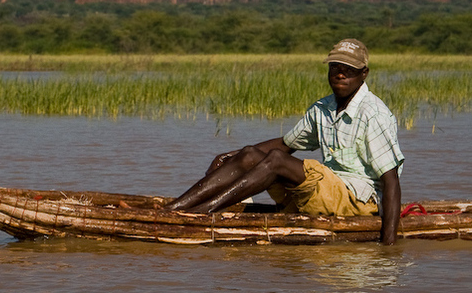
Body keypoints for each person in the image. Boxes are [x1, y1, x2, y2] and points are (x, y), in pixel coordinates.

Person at [166, 38, 405, 245]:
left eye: (349, 69)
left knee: (278, 161)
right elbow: (286, 143)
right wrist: (231, 157)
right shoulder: (323, 108)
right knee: (251, 154)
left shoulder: (373, 114)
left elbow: (390, 180)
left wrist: (389, 244)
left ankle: (202, 213)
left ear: (364, 73)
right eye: (335, 68)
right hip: (327, 190)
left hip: (357, 200)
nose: (340, 74)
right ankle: (175, 209)